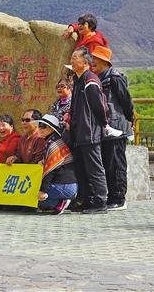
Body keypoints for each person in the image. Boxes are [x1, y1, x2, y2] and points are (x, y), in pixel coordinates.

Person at [65, 46, 109, 214]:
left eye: (75, 58)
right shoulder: (78, 80)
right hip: (78, 132)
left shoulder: (91, 81)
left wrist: (102, 125)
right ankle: (86, 200)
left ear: (85, 62)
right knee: (82, 168)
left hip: (89, 132)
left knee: (94, 168)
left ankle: (100, 201)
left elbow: (101, 108)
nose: (72, 60)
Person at [92, 46, 134, 211]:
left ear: (104, 61)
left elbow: (126, 101)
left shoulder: (114, 78)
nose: (92, 62)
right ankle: (111, 197)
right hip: (105, 128)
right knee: (108, 163)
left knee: (116, 164)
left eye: (95, 59)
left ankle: (119, 198)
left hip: (116, 127)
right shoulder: (99, 78)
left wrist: (129, 119)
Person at [36, 114, 77, 214]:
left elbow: (50, 171)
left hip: (66, 185)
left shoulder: (53, 144)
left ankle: (64, 198)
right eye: (39, 125)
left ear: (51, 129)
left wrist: (42, 191)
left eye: (43, 126)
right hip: (67, 185)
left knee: (33, 191)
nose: (40, 128)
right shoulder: (54, 141)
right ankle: (61, 201)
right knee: (42, 204)